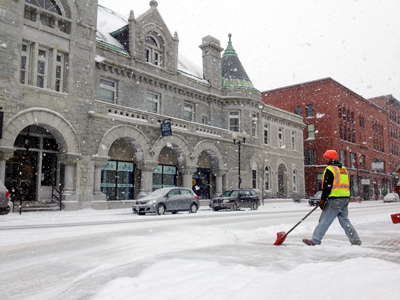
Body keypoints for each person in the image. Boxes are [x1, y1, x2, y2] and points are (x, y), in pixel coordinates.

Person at [303, 150, 362, 246]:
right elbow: (348, 184)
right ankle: (355, 240)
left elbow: (327, 186)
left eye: (326, 157)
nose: (324, 159)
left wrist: (323, 199)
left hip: (335, 199)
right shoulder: (343, 169)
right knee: (345, 221)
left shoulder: (330, 169)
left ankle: (315, 240)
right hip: (345, 198)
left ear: (330, 158)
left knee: (325, 220)